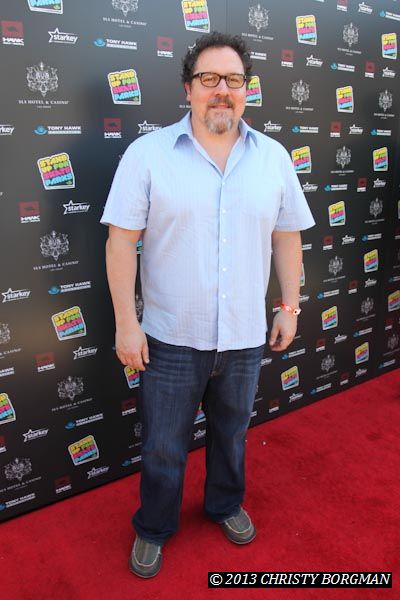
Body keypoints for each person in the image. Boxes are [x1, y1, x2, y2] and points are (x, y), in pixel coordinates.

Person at [101, 31, 315, 578]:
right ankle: (154, 526)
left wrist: (290, 306)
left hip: (244, 336)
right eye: (209, 78)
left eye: (234, 79)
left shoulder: (273, 158)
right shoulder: (148, 155)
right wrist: (126, 324)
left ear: (247, 89)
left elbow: (287, 236)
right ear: (188, 88)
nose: (223, 89)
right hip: (171, 337)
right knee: (163, 446)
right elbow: (121, 242)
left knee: (232, 435)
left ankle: (223, 504)